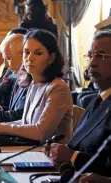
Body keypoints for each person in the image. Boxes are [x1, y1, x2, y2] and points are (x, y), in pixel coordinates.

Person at [0, 29, 73, 144]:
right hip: (32, 149)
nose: (29, 58)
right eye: (26, 52)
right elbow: (25, 123)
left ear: (51, 58)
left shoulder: (58, 88)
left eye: (38, 53)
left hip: (50, 157)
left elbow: (40, 132)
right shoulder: (33, 83)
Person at [46, 31, 111, 177]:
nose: (92, 63)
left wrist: (72, 156)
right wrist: (58, 150)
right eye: (91, 56)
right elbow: (80, 145)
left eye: (100, 56)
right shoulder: (96, 100)